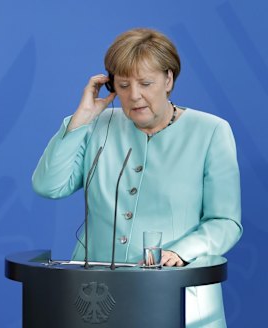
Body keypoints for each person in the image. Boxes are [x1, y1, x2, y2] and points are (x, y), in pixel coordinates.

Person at [32, 28, 242, 327]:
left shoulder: (210, 131)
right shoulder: (95, 125)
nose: (134, 95)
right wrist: (80, 120)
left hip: (176, 293)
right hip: (96, 296)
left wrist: (181, 252)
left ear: (168, 80)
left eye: (145, 83)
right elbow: (48, 186)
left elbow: (226, 222)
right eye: (123, 84)